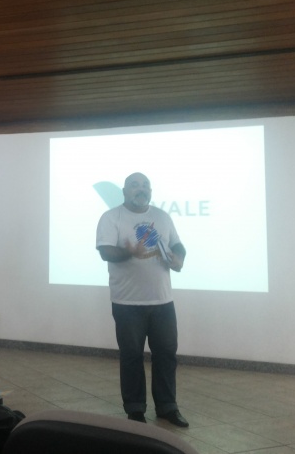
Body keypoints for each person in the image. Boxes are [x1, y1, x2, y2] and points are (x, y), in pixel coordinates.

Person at [96, 172, 189, 427]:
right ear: (124, 191)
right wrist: (129, 251)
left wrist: (179, 259)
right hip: (127, 303)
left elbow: (178, 245)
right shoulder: (111, 217)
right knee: (131, 356)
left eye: (145, 185)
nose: (141, 189)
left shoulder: (162, 216)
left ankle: (167, 407)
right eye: (135, 185)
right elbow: (105, 251)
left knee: (166, 354)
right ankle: (135, 409)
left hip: (162, 301)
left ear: (150, 191)